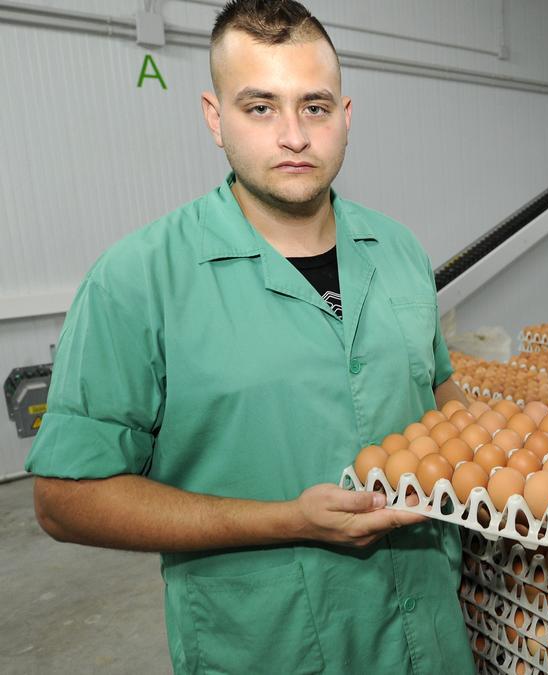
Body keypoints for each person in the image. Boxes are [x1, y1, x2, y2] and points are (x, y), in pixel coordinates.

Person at [26, 1, 476, 672]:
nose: (293, 135)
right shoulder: (137, 280)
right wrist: (287, 519)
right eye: (260, 107)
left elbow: (439, 393)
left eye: (314, 107)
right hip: (271, 644)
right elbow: (65, 498)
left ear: (345, 117)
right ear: (215, 117)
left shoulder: (400, 250)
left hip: (428, 635)